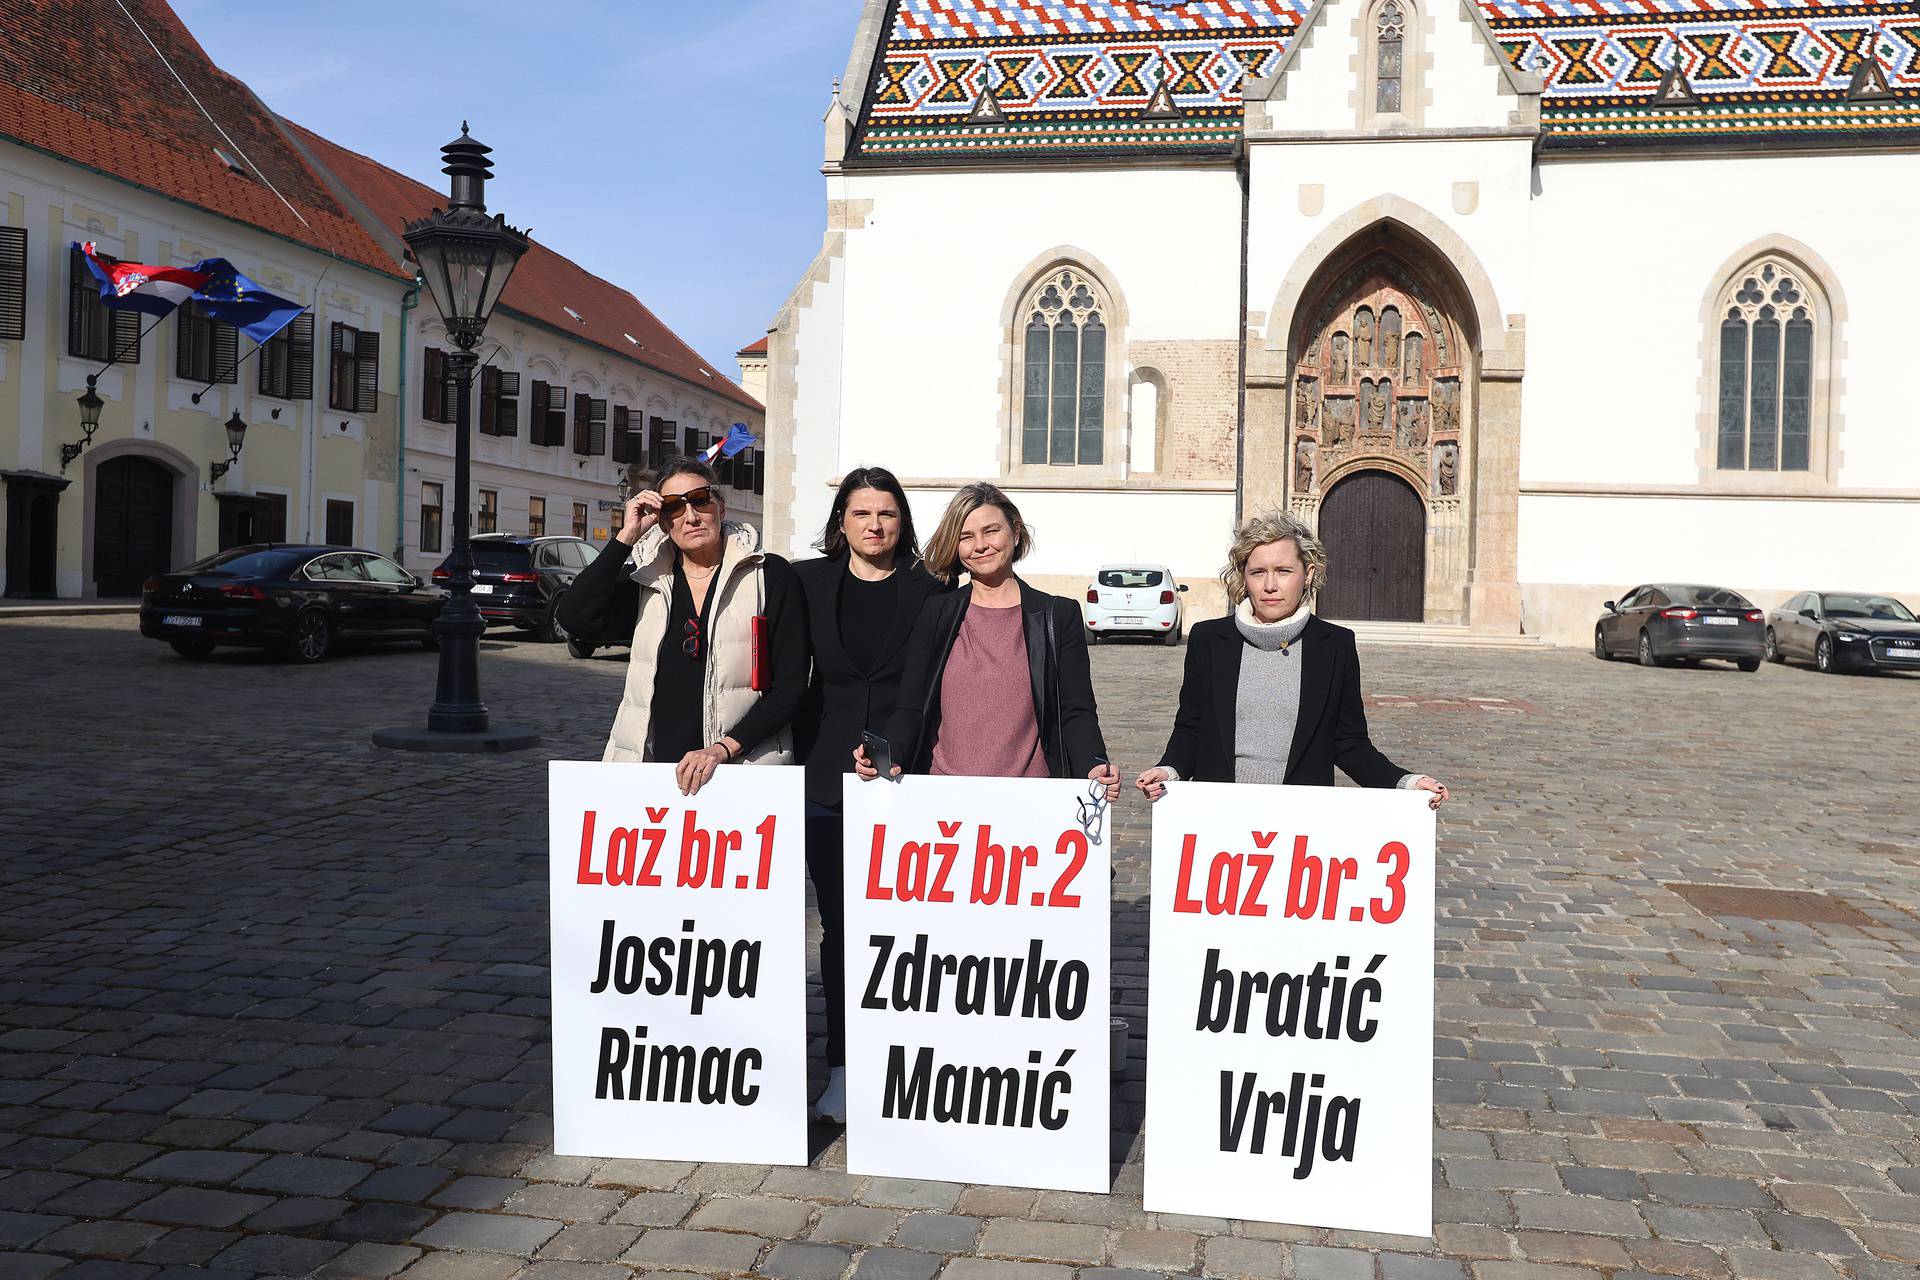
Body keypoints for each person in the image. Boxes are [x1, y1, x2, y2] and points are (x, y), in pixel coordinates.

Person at [790, 468, 947, 1122]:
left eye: (886, 513)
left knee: (908, 930)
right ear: (841, 522)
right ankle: (846, 1068)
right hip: (826, 779)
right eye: (861, 513)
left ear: (901, 522)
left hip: (907, 779)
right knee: (842, 930)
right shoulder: (806, 582)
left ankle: (911, 1063)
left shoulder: (932, 589)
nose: (875, 525)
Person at [1135, 511, 1449, 807]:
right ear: (1244, 577)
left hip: (1300, 822)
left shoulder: (1334, 645)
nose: (1270, 585)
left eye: (1284, 571)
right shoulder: (1209, 640)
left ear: (1308, 573)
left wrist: (1404, 782)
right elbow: (1191, 728)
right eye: (1258, 572)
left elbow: (1349, 742)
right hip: (1219, 814)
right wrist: (1169, 769)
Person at [856, 483, 1120, 802]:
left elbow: (1075, 710)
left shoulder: (1056, 615)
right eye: (966, 537)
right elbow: (911, 708)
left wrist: (1093, 764)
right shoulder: (936, 612)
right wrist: (888, 754)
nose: (980, 545)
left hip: (1029, 802)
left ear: (1016, 533)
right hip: (942, 801)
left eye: (991, 531)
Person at [557, 457, 808, 792]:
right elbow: (575, 618)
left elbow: (790, 686)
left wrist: (723, 748)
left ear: (721, 507)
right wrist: (627, 536)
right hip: (657, 768)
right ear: (663, 522)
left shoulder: (770, 575)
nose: (690, 516)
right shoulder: (647, 581)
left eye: (701, 501)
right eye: (673, 507)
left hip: (744, 765)